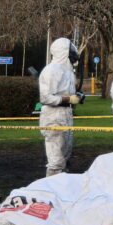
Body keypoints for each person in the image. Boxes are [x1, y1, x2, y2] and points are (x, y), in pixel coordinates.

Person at [37, 37, 83, 176]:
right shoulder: (52, 70)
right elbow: (45, 97)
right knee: (56, 161)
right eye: (71, 50)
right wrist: (68, 99)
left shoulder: (67, 71)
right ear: (63, 52)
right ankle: (49, 191)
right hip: (53, 117)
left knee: (65, 158)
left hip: (65, 115)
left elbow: (68, 94)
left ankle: (61, 190)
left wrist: (77, 97)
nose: (73, 54)